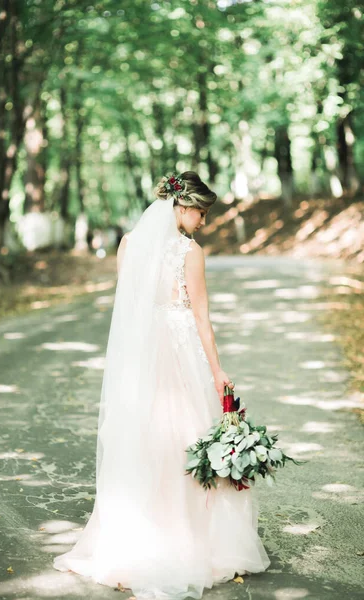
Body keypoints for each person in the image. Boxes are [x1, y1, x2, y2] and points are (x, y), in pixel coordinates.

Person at [53, 171, 270, 599]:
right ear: (184, 206)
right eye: (202, 213)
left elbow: (128, 309)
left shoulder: (129, 245)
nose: (203, 223)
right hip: (179, 354)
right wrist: (218, 369)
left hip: (139, 361)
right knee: (183, 439)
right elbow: (201, 317)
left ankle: (135, 542)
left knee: (144, 444)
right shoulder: (190, 252)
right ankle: (188, 543)